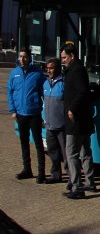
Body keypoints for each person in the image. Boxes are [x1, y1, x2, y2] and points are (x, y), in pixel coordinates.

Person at [61, 43, 96, 199]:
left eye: (64, 57)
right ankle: (90, 183)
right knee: (85, 152)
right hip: (83, 121)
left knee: (71, 153)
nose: (62, 60)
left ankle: (77, 187)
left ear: (72, 56)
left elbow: (82, 92)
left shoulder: (76, 70)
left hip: (75, 121)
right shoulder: (76, 69)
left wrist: (71, 109)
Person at [7, 47, 46, 182]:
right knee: (24, 143)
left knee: (38, 143)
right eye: (20, 57)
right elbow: (10, 91)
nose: (22, 59)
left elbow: (44, 92)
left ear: (30, 58)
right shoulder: (14, 73)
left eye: (24, 57)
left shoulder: (37, 73)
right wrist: (12, 110)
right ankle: (27, 169)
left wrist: (45, 111)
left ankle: (41, 172)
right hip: (20, 114)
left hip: (34, 113)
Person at [43, 57, 67, 184]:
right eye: (47, 68)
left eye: (51, 68)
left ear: (57, 68)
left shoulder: (63, 83)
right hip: (49, 125)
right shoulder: (46, 83)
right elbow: (45, 103)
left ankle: (72, 179)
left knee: (65, 154)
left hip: (61, 126)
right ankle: (56, 175)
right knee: (53, 152)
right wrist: (44, 118)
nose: (49, 70)